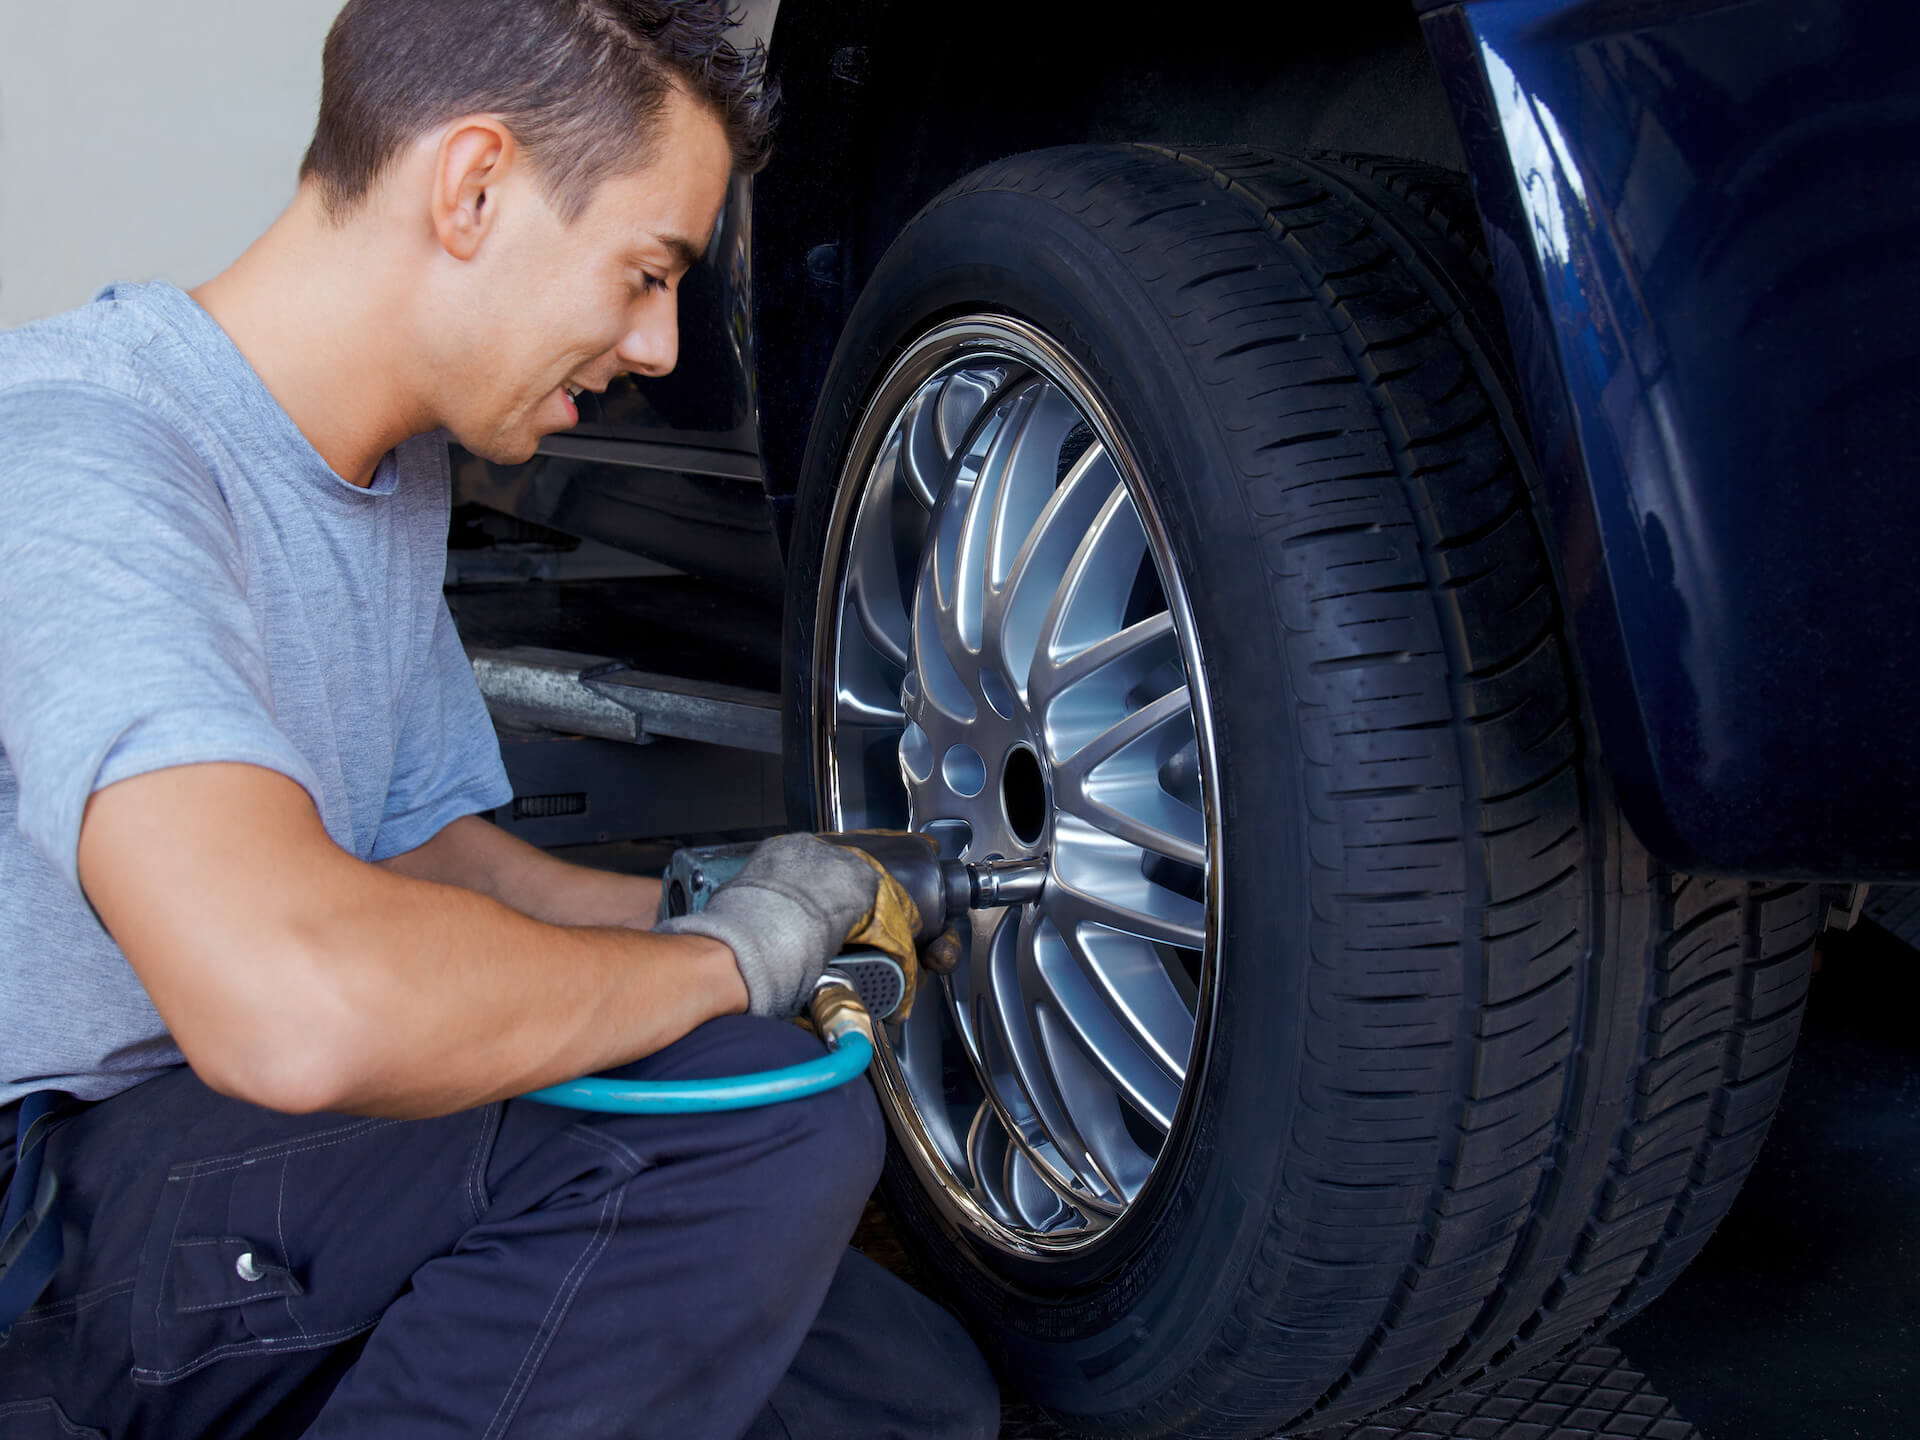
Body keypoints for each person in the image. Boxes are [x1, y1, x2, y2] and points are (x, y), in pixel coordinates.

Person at [0, 1, 1000, 1435]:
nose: (660, 344)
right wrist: (726, 967)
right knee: (765, 1115)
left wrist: (737, 901)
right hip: (52, 1222)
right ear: (472, 189)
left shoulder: (377, 479)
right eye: (646, 272)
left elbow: (436, 866)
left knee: (898, 1403)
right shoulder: (86, 460)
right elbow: (292, 1005)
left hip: (235, 1166)